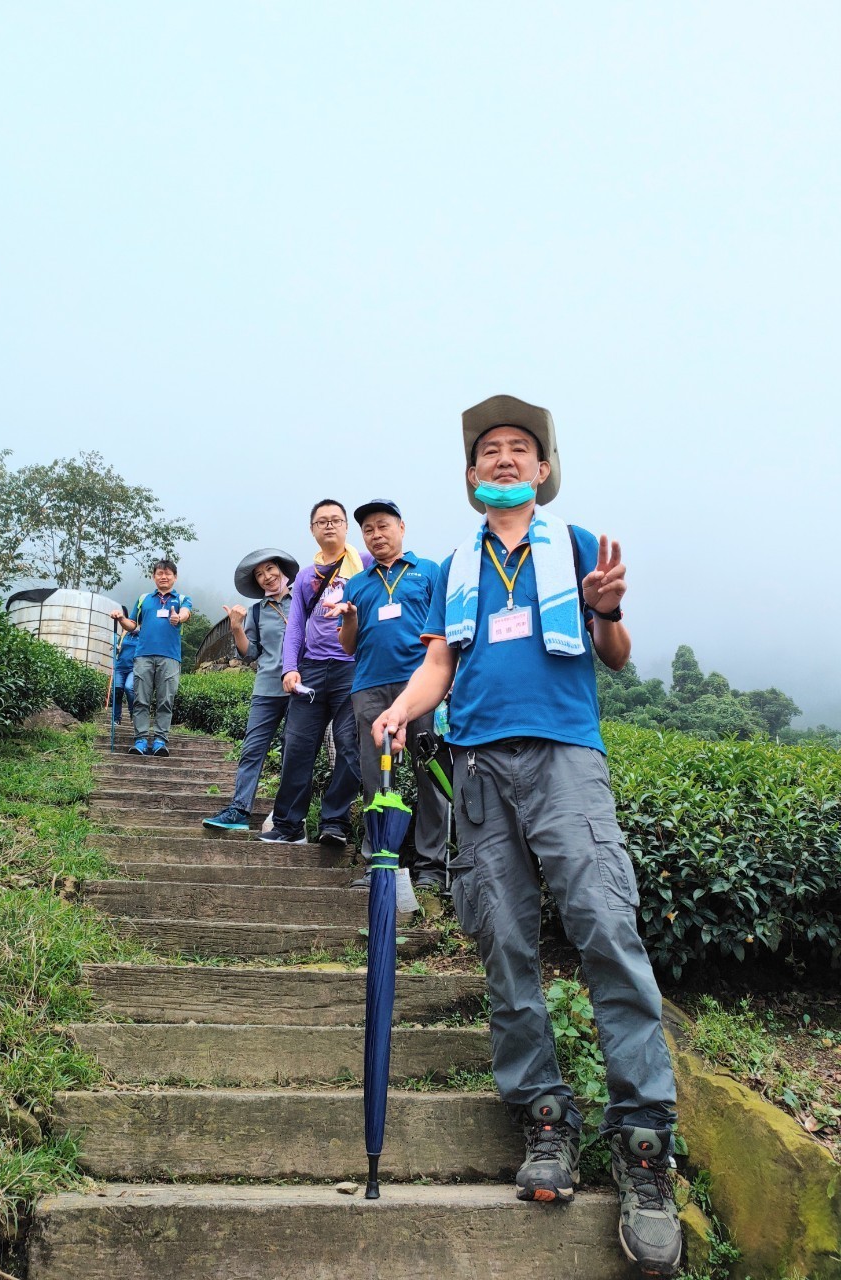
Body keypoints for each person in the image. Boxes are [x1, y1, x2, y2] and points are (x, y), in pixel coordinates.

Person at [373, 395, 682, 1277]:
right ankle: (544, 1119)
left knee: (605, 930)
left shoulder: (579, 545)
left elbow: (615, 657)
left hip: (565, 760)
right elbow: (440, 661)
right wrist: (399, 709)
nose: (503, 459)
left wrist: (607, 611)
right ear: (471, 476)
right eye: (488, 452)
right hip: (476, 767)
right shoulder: (450, 564)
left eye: (519, 449)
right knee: (502, 939)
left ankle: (644, 1142)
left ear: (543, 470)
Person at [326, 499, 448, 891]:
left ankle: (432, 867)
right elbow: (348, 647)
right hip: (369, 689)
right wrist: (349, 618)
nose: (376, 535)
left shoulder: (429, 571)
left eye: (383, 526)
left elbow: (445, 635)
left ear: (402, 527)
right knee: (376, 777)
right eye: (368, 530)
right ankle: (379, 861)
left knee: (429, 774)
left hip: (420, 688)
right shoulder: (357, 583)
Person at [259, 500, 370, 847]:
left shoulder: (365, 566)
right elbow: (295, 628)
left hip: (352, 669)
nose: (330, 526)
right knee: (297, 745)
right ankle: (290, 825)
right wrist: (289, 668)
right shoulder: (307, 576)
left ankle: (334, 822)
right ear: (312, 530)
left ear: (346, 527)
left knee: (351, 747)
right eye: (322, 521)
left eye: (336, 520)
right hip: (310, 669)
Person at [203, 548, 299, 831]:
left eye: (270, 569)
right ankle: (239, 810)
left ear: (282, 571)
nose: (267, 577)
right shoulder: (257, 611)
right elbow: (250, 653)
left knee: (292, 752)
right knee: (252, 750)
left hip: (300, 689)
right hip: (266, 689)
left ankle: (288, 816)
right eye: (259, 575)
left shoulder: (304, 601)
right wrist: (236, 628)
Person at [110, 558, 192, 757]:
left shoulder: (182, 599)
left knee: (166, 700)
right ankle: (140, 740)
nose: (163, 577)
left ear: (175, 577)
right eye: (159, 574)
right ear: (153, 576)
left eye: (168, 574)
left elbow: (186, 613)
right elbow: (132, 625)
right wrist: (121, 619)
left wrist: (178, 618)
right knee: (141, 699)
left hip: (170, 658)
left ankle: (160, 741)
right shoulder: (144, 599)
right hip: (143, 656)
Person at [111, 618, 138, 724]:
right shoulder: (124, 635)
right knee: (117, 691)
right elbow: (118, 648)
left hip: (133, 668)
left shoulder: (142, 636)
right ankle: (116, 718)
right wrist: (116, 648)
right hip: (120, 667)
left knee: (129, 688)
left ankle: (133, 713)